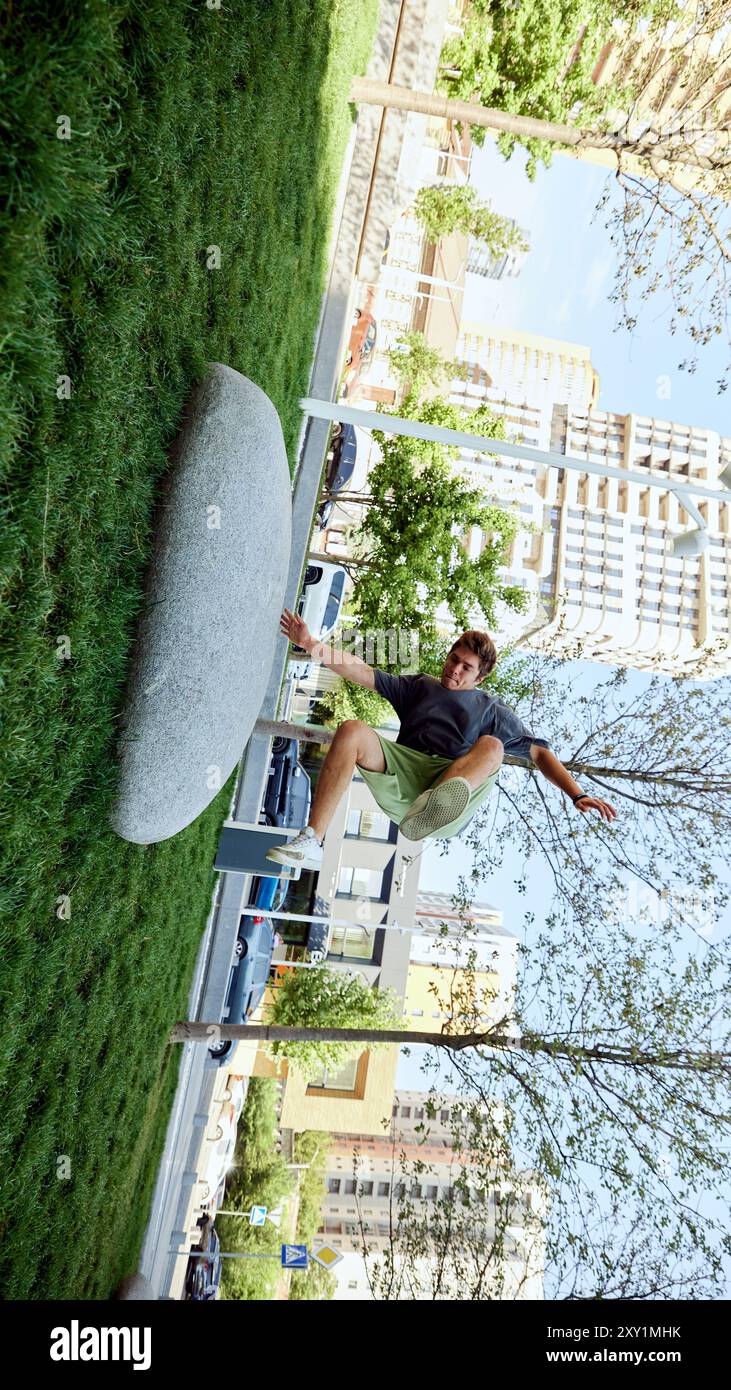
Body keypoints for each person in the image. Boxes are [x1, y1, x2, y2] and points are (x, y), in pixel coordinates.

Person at [265, 609, 617, 872]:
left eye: (467, 668)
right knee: (351, 730)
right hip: (406, 774)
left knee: (493, 746)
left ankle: (438, 800)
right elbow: (363, 672)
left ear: (480, 676)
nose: (455, 669)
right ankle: (312, 840)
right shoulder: (422, 686)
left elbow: (539, 752)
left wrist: (577, 794)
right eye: (454, 659)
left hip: (453, 783)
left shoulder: (490, 709)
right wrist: (311, 644)